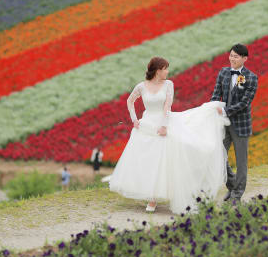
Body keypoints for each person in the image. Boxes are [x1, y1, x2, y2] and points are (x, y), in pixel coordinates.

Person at [105, 57, 228, 214]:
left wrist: (163, 126)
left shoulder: (168, 84)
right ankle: (150, 195)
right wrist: (134, 120)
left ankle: (154, 198)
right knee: (147, 161)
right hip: (146, 125)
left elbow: (167, 105)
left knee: (163, 159)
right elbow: (130, 101)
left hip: (164, 123)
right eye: (165, 69)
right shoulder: (142, 86)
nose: (167, 72)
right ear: (158, 70)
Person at [211, 44, 258, 203]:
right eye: (231, 55)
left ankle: (237, 195)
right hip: (223, 124)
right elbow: (216, 94)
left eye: (236, 56)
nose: (232, 59)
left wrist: (224, 111)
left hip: (241, 125)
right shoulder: (223, 72)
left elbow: (245, 102)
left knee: (241, 161)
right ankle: (231, 185)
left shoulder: (251, 77)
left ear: (245, 59)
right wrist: (212, 108)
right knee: (218, 156)